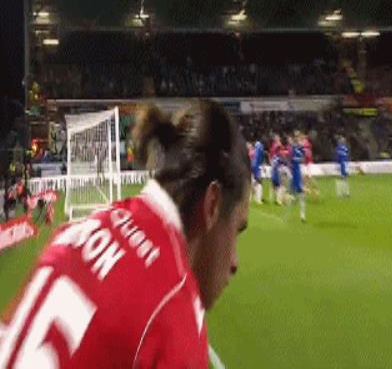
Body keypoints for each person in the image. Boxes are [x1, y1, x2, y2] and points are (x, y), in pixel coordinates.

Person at [0, 100, 251, 369]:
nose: (234, 262)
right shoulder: (175, 313)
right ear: (212, 204)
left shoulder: (77, 231)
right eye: (237, 229)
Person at [289, 131, 306, 222]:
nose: (297, 138)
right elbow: (290, 159)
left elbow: (303, 159)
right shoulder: (292, 148)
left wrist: (298, 159)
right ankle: (290, 213)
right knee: (293, 195)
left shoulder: (301, 148)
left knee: (301, 195)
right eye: (296, 136)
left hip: (299, 172)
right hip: (294, 173)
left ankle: (302, 216)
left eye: (298, 136)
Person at [251, 137, 264, 204]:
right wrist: (262, 165)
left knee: (255, 181)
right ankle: (258, 199)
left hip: (253, 164)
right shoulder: (261, 146)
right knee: (259, 182)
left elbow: (253, 154)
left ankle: (251, 196)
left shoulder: (255, 145)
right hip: (257, 166)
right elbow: (261, 157)